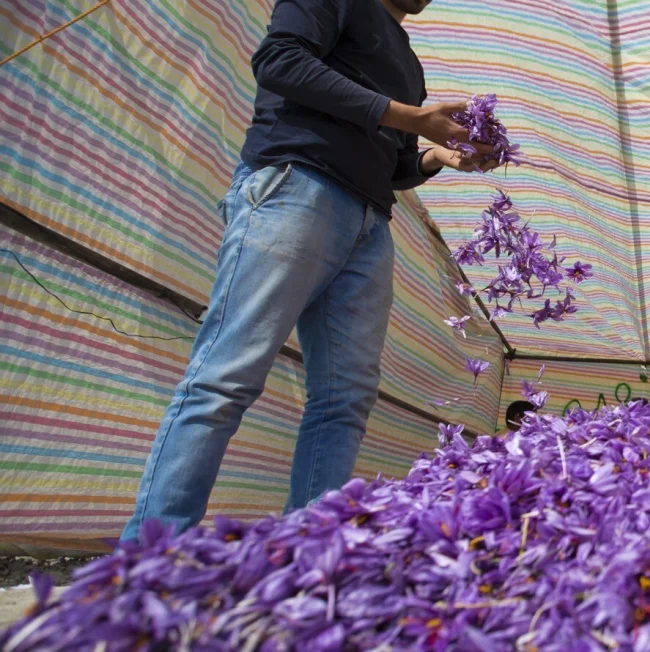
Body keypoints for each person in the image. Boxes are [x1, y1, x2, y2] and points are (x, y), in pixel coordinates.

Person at [122, 0, 496, 540]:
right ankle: (153, 551)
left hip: (369, 222)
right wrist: (409, 115)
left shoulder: (410, 65)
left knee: (345, 397)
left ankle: (311, 553)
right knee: (228, 374)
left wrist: (434, 155)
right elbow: (279, 62)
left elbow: (391, 163)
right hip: (297, 187)